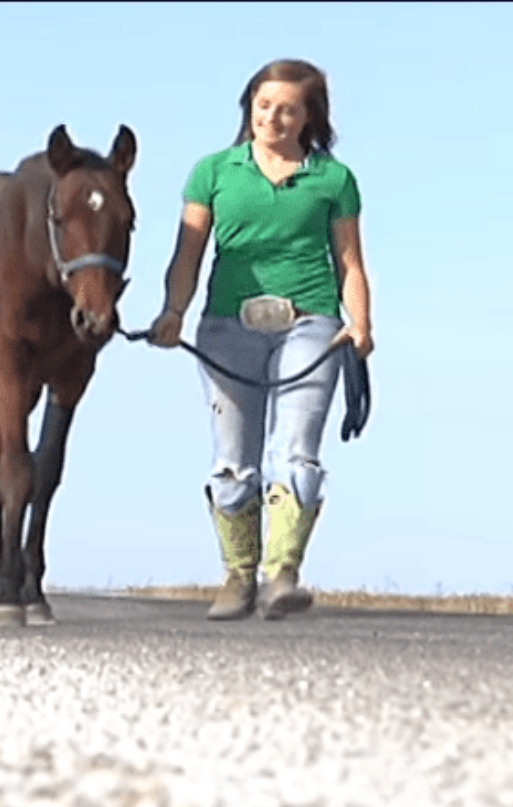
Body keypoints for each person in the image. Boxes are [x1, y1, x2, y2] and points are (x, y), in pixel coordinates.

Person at [148, 58, 375, 621]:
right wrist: (173, 311)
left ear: (307, 118)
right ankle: (237, 576)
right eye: (263, 104)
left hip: (311, 324)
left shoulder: (333, 179)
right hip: (228, 326)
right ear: (249, 105)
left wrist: (362, 322)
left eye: (287, 109)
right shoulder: (213, 172)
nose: (272, 117)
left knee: (296, 451)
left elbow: (350, 263)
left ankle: (282, 575)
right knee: (233, 460)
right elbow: (188, 255)